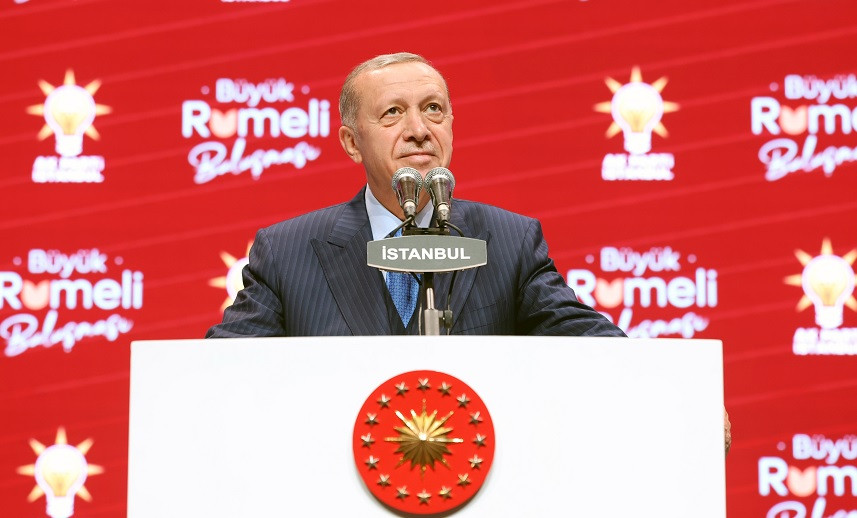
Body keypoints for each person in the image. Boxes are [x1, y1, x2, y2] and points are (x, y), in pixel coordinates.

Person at [205, 52, 624, 338]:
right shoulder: (286, 253)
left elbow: (594, 348)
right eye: (393, 112)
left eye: (433, 109)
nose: (419, 130)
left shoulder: (510, 242)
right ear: (352, 143)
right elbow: (222, 371)